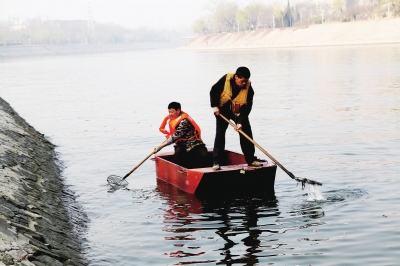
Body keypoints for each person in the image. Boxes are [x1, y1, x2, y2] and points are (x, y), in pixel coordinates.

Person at [210, 66, 265, 170]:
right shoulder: (226, 79)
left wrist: (240, 122)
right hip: (222, 110)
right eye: (242, 81)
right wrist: (214, 106)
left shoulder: (249, 89)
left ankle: (251, 159)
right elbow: (214, 90)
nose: (244, 83)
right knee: (220, 134)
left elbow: (247, 108)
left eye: (246, 81)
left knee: (246, 132)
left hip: (238, 112)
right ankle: (216, 162)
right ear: (236, 77)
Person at [155, 102, 208, 169]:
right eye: (169, 112)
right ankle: (179, 172)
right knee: (178, 153)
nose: (170, 114)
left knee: (203, 153)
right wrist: (162, 144)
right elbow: (173, 136)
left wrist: (161, 146)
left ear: (178, 110)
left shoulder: (184, 121)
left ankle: (200, 170)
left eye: (172, 112)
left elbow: (175, 136)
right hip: (182, 144)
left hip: (194, 143)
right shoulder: (173, 119)